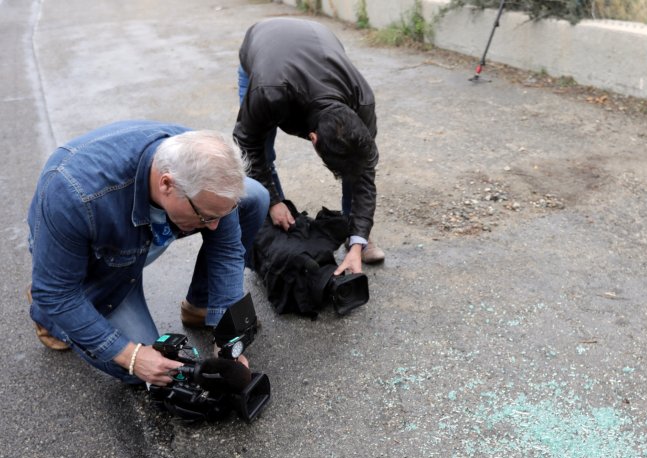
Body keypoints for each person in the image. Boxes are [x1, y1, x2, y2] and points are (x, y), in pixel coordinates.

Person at [26, 120, 270, 386]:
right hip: (100, 263)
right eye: (206, 216)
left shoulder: (195, 158)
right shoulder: (73, 196)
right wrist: (132, 357)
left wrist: (227, 336)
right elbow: (56, 294)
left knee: (254, 197)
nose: (214, 227)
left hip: (141, 232)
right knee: (152, 374)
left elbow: (226, 248)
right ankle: (51, 309)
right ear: (167, 184)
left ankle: (201, 305)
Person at [234, 17, 384, 276]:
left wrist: (358, 241)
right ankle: (280, 222)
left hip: (316, 40)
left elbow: (364, 173)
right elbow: (246, 142)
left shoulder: (362, 102)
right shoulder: (268, 92)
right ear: (313, 140)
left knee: (354, 162)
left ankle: (356, 234)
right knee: (262, 152)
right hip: (264, 47)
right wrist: (272, 201)